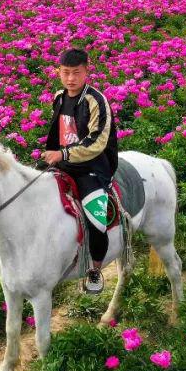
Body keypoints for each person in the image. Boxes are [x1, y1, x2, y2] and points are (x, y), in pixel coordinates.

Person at [42, 49, 119, 294]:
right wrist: (50, 153)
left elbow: (97, 142)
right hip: (63, 163)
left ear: (87, 71)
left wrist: (63, 154)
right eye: (66, 73)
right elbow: (57, 133)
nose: (71, 78)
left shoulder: (96, 100)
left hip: (92, 167)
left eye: (76, 73)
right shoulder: (59, 97)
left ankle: (95, 270)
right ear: (58, 73)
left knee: (97, 219)